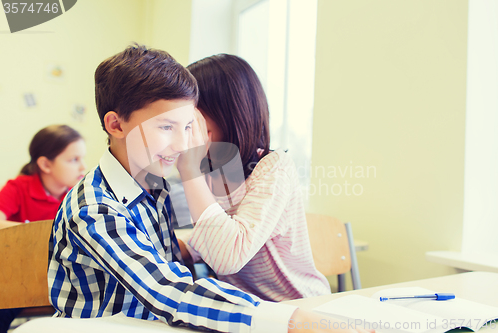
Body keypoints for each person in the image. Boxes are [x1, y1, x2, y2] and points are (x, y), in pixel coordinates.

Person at [47, 44, 372, 333]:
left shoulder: (155, 188)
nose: (183, 143)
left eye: (189, 126)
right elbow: (168, 290)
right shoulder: (96, 208)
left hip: (278, 307)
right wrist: (291, 322)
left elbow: (182, 262)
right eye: (166, 127)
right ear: (116, 125)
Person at [176, 54, 331, 302]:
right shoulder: (211, 172)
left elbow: (228, 255)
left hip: (299, 304)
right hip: (250, 310)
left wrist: (189, 169)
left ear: (227, 111)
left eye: (192, 112)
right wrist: (184, 248)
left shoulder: (273, 167)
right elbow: (216, 232)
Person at [0, 124, 86, 333]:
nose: (83, 167)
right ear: (46, 164)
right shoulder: (18, 187)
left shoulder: (77, 196)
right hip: (19, 278)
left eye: (82, 159)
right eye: (74, 160)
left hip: (60, 277)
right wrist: (32, 233)